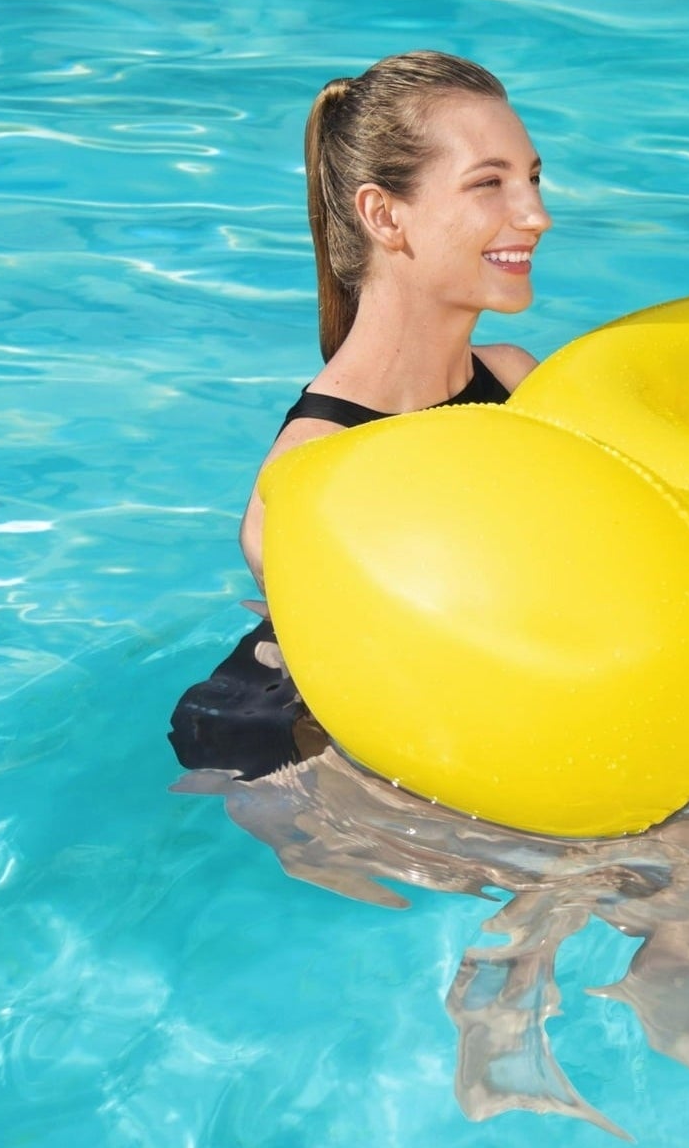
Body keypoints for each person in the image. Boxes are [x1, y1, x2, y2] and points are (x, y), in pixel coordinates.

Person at [173, 51, 548, 780]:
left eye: (532, 178)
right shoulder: (305, 478)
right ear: (383, 215)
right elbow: (393, 702)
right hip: (292, 750)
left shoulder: (516, 380)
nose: (535, 214)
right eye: (489, 184)